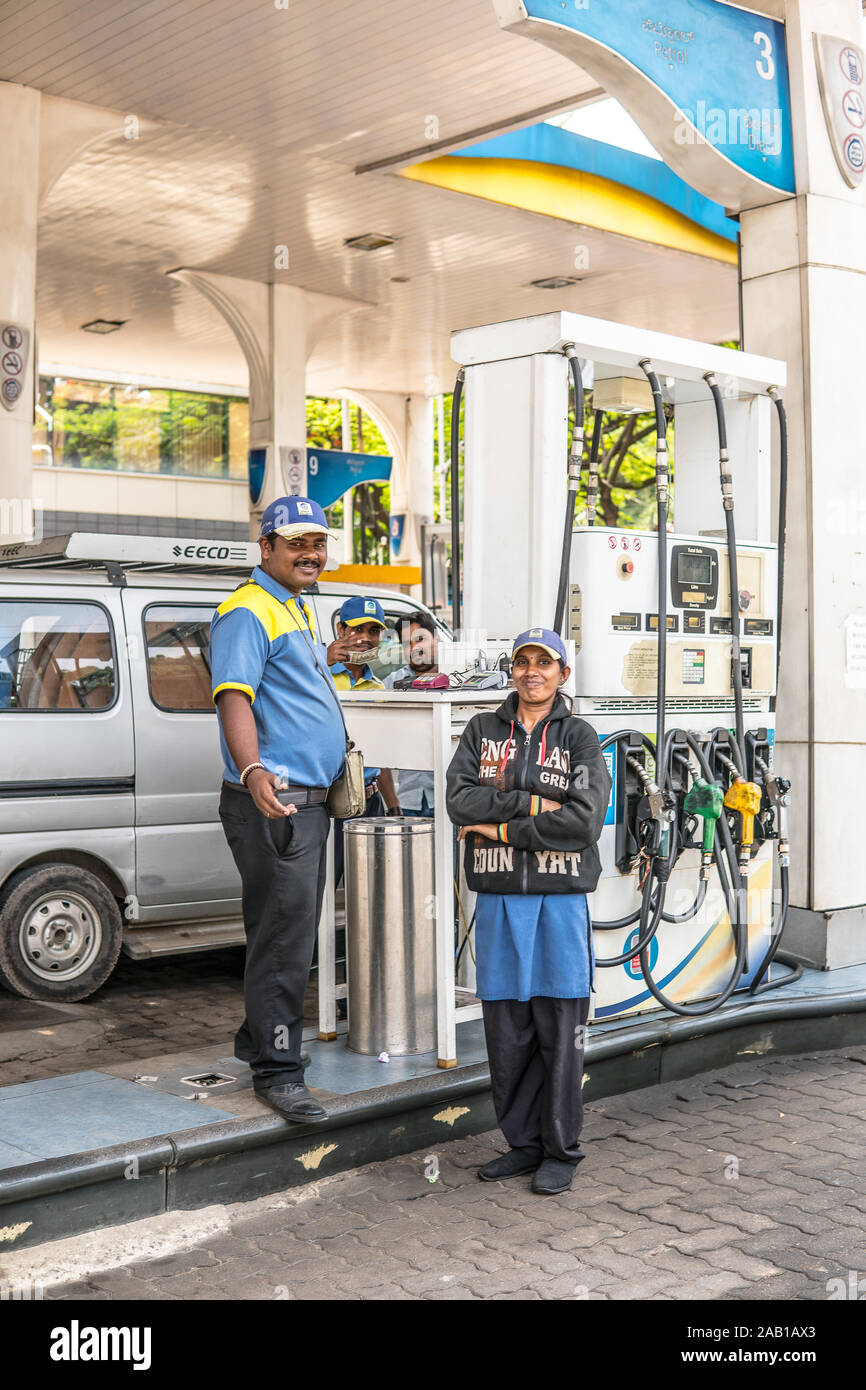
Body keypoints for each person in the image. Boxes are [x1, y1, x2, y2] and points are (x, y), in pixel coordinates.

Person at [446, 626, 611, 1195]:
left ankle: (561, 1150)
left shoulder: (582, 737)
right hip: (496, 900)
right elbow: (458, 800)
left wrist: (497, 827)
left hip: (560, 903)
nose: (532, 671)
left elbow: (584, 821)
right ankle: (522, 1145)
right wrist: (533, 805)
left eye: (546, 663)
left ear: (563, 674)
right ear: (511, 670)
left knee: (561, 1029)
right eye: (523, 662)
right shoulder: (480, 730)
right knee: (507, 1030)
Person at [209, 495, 345, 1124]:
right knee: (286, 938)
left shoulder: (291, 608)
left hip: (305, 803)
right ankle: (279, 1070)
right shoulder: (245, 611)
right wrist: (253, 769)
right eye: (296, 542)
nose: (311, 553)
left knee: (281, 930)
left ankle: (258, 1038)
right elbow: (234, 697)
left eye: (317, 542)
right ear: (265, 548)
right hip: (277, 801)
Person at [326, 595, 400, 885]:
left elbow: (378, 755)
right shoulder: (318, 675)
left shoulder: (378, 687)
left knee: (371, 888)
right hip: (328, 801)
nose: (365, 639)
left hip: (369, 803)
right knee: (323, 888)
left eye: (373, 631)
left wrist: (392, 804)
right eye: (357, 629)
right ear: (340, 629)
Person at [383, 610, 440, 816]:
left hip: (448, 801)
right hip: (407, 802)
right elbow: (380, 747)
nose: (415, 648)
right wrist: (392, 803)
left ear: (437, 638)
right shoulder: (390, 685)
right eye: (407, 643)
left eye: (420, 639)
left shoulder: (458, 679)